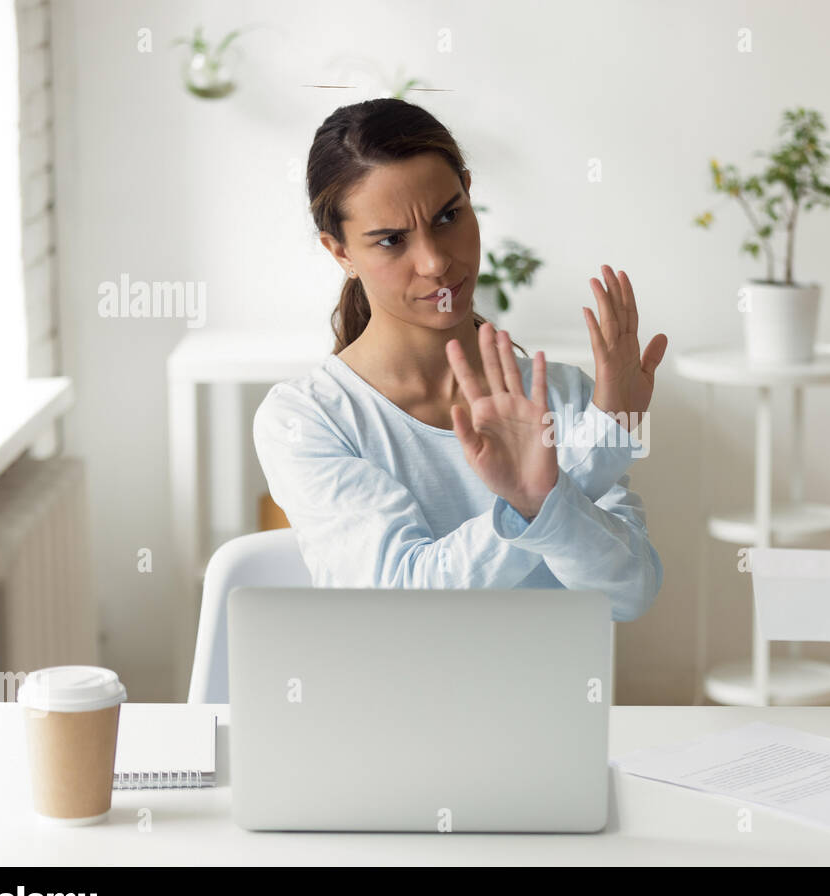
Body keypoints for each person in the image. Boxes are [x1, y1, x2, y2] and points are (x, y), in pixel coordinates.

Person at [253, 98, 668, 622]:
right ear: (340, 253)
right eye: (391, 241)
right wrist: (589, 454)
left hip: (550, 702)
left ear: (469, 194)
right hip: (393, 704)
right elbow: (403, 597)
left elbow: (630, 596)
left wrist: (579, 455)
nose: (435, 261)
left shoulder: (564, 395)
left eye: (448, 216)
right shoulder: (307, 419)